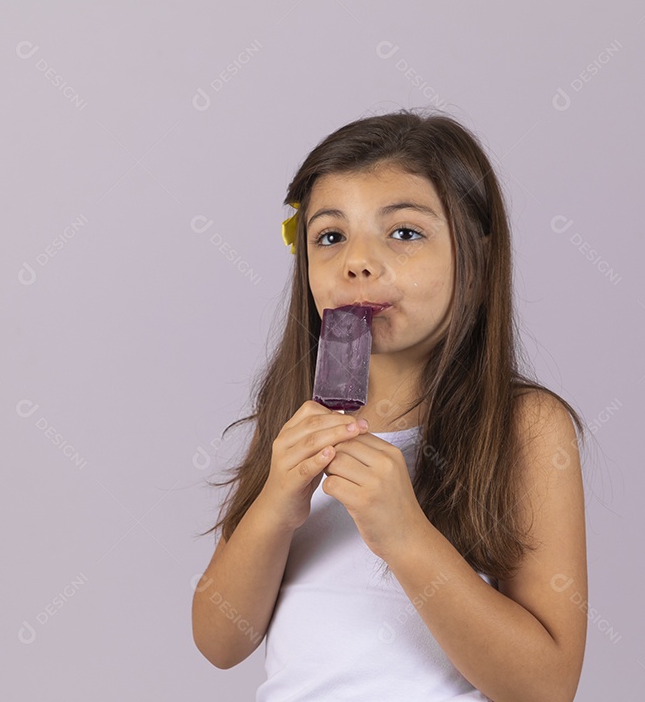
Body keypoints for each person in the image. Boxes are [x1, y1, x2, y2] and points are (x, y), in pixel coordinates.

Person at [192, 108, 589, 702]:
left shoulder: (524, 429)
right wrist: (276, 504)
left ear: (475, 261)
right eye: (330, 235)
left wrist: (405, 535)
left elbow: (546, 686)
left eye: (403, 233)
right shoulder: (292, 425)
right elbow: (219, 642)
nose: (356, 261)